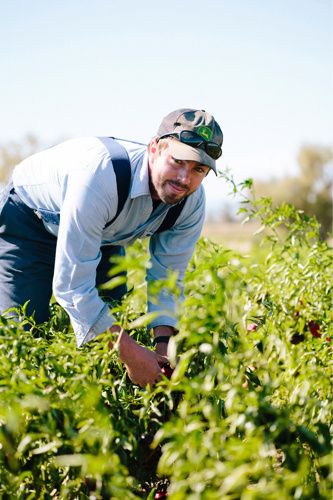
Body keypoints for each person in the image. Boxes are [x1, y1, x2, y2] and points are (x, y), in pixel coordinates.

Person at [0, 108, 223, 387]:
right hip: (29, 219)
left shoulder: (190, 202)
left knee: (111, 316)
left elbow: (167, 278)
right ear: (154, 148)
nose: (184, 178)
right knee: (24, 332)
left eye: (198, 169)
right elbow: (73, 287)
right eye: (177, 161)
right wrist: (132, 355)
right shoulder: (102, 175)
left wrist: (164, 350)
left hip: (104, 232)